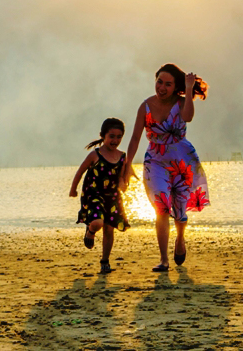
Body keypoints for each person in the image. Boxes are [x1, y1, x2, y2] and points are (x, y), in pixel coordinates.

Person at [123, 64, 210, 272]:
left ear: (175, 87)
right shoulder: (145, 106)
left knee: (180, 211)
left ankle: (180, 238)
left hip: (182, 161)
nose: (162, 87)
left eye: (168, 84)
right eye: (159, 82)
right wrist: (127, 164)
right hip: (155, 161)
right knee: (161, 206)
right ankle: (163, 259)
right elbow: (135, 138)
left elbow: (188, 117)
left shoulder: (181, 102)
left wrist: (188, 88)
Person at [69, 118, 130, 274]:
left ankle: (105, 261)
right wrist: (73, 189)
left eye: (119, 137)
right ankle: (90, 231)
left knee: (109, 229)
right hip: (94, 194)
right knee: (97, 222)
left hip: (113, 196)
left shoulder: (122, 156)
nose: (115, 140)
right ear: (103, 136)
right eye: (111, 136)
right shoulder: (95, 155)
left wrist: (123, 183)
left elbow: (122, 177)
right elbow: (80, 172)